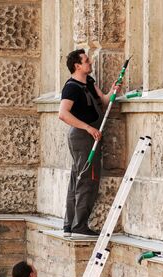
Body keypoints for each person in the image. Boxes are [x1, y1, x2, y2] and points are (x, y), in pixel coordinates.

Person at [58, 49, 120, 237]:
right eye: (86, 61)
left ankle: (71, 224)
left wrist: (113, 91)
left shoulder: (90, 83)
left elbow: (104, 99)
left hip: (90, 134)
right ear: (77, 66)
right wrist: (88, 128)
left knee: (79, 177)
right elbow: (63, 114)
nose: (90, 63)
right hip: (82, 136)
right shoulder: (71, 87)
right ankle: (78, 225)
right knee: (87, 179)